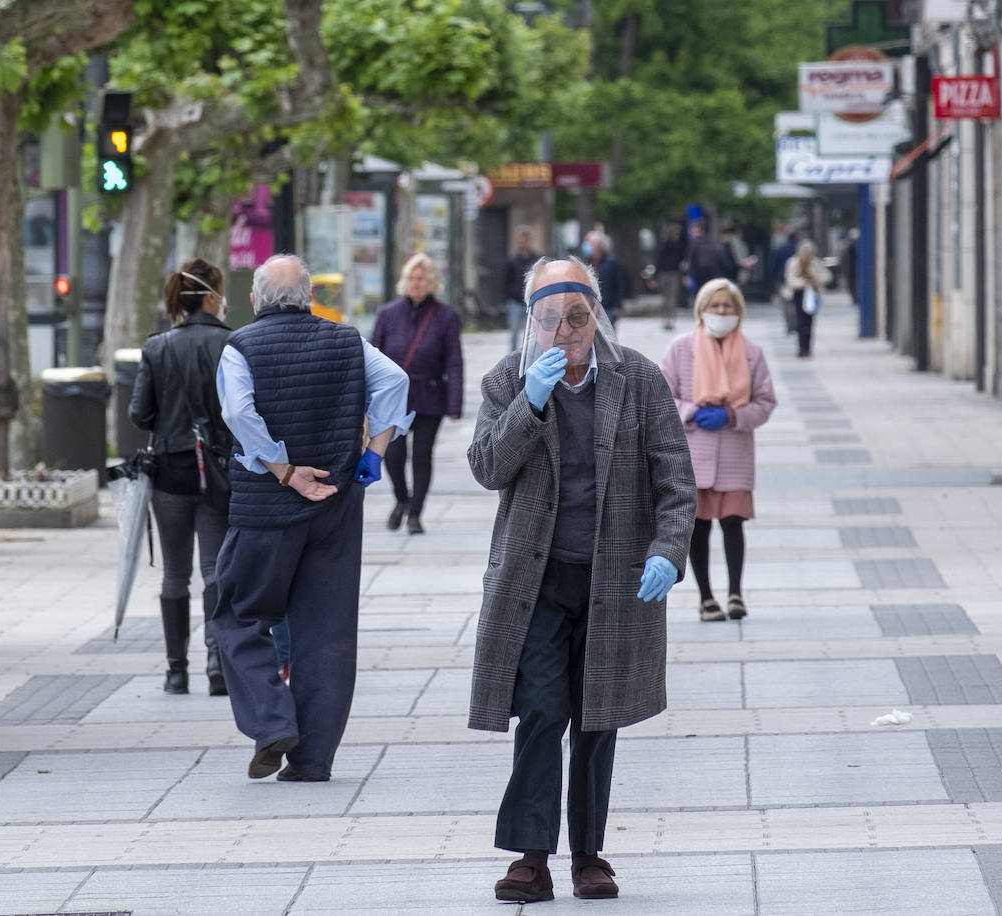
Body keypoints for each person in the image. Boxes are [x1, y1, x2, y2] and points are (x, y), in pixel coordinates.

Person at [468, 257, 696, 903]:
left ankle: (589, 856)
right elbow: (487, 467)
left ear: (596, 313)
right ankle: (531, 858)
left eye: (576, 316)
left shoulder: (639, 379)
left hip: (616, 577)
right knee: (542, 710)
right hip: (534, 580)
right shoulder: (507, 379)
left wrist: (667, 552)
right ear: (531, 321)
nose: (564, 331)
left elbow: (676, 481)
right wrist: (528, 404)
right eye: (549, 319)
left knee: (599, 717)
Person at [212, 254, 412, 783]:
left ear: (255, 301)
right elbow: (394, 380)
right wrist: (375, 451)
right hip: (337, 505)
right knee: (326, 632)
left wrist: (283, 469)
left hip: (265, 509)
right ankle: (313, 761)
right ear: (308, 298)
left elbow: (238, 413)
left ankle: (273, 722)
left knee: (238, 615)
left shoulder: (240, 347)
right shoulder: (347, 340)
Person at [129, 258, 234, 697]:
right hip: (218, 470)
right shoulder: (232, 344)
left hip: (169, 469)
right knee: (215, 570)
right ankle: (216, 663)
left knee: (174, 574)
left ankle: (176, 671)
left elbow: (140, 413)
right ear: (212, 296)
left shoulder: (157, 347)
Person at [658, 279, 777, 621]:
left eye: (728, 306)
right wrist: (693, 411)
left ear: (738, 312)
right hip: (694, 451)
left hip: (735, 451)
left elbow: (765, 402)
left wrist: (733, 414)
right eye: (716, 306)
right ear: (702, 309)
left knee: (733, 523)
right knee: (698, 526)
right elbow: (663, 398)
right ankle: (706, 598)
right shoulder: (680, 348)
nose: (722, 312)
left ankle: (736, 594)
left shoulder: (752, 352)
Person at [370, 253, 463, 535]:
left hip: (430, 395)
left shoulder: (446, 316)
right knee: (393, 455)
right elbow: (372, 356)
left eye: (421, 278)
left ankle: (415, 514)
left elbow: (454, 361)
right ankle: (402, 499)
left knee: (422, 455)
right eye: (411, 277)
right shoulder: (388, 314)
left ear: (431, 281)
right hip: (394, 399)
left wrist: (454, 403)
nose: (416, 283)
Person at [783, 239, 831, 358]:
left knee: (809, 322)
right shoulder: (793, 263)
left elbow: (827, 276)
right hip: (798, 294)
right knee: (800, 321)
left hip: (812, 294)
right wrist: (803, 283)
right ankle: (801, 347)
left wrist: (816, 281)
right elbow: (790, 280)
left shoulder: (815, 263)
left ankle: (807, 348)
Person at [504, 226, 542, 352]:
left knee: (532, 333)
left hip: (532, 301)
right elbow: (507, 280)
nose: (521, 243)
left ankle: (530, 355)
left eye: (523, 240)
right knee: (514, 333)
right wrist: (509, 295)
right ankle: (513, 357)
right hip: (515, 301)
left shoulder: (537, 259)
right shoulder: (512, 260)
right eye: (519, 240)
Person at [582, 230, 626, 323]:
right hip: (589, 309)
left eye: (589, 242)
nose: (586, 245)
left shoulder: (612, 262)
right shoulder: (584, 263)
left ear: (598, 245)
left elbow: (619, 285)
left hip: (607, 308)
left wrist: (617, 306)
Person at [653, 223, 685, 331]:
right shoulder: (679, 246)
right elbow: (681, 261)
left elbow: (658, 261)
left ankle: (665, 319)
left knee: (665, 298)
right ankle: (671, 319)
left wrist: (655, 276)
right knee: (672, 297)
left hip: (663, 274)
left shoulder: (662, 246)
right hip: (674, 273)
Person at [686, 219, 726, 292]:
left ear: (698, 229)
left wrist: (688, 275)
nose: (691, 230)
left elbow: (691, 260)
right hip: (714, 273)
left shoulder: (694, 243)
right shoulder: (713, 241)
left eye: (693, 228)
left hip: (700, 273)